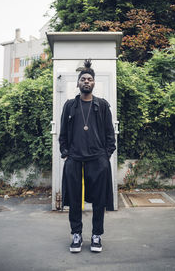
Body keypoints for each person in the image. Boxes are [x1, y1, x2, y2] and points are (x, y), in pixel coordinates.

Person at [59, 59, 116, 253]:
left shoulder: (101, 105)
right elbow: (63, 134)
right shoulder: (69, 106)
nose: (86, 81)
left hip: (97, 160)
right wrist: (65, 153)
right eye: (83, 78)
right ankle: (76, 235)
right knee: (75, 200)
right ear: (78, 83)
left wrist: (106, 155)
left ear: (93, 83)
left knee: (99, 200)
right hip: (74, 159)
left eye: (89, 79)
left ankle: (96, 235)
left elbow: (110, 133)